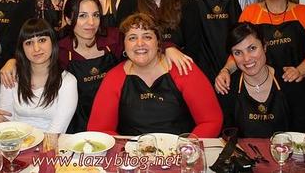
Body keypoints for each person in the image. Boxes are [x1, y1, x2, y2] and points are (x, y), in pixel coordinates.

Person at [1, 0, 189, 133]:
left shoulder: (114, 38)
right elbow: (34, 53)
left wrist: (168, 47)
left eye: (96, 15)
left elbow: (144, 39)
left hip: (117, 122)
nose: (91, 23)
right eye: (82, 16)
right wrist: (13, 62)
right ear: (68, 18)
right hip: (75, 125)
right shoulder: (59, 47)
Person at [215, 0, 305, 132]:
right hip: (258, 89)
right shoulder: (251, 12)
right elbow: (239, 47)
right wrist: (225, 70)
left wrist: (299, 71)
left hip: (294, 88)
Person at [87, 13, 223, 137]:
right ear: (124, 45)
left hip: (181, 154)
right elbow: (99, 130)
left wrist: (186, 149)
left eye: (147, 36)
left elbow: (211, 121)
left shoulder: (183, 69)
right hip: (133, 156)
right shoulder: (114, 78)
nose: (140, 44)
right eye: (132, 38)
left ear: (159, 42)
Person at [0, 18, 78, 133]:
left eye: (42, 40)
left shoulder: (67, 81)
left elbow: (55, 133)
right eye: (29, 43)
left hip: (50, 146)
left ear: (53, 43)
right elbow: (4, 120)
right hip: (14, 144)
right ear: (22, 48)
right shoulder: (10, 75)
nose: (36, 48)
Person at [221, 22, 290, 138]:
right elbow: (227, 136)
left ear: (264, 46)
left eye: (252, 48)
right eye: (238, 53)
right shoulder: (227, 88)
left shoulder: (289, 81)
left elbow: (303, 134)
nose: (246, 58)